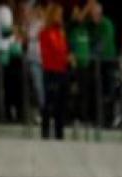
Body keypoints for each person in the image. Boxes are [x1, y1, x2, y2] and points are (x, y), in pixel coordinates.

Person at [39, 3, 70, 140]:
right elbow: (53, 51)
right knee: (50, 102)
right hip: (51, 70)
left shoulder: (61, 32)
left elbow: (64, 49)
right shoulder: (46, 33)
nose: (60, 17)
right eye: (58, 14)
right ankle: (45, 132)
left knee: (61, 103)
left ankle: (59, 132)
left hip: (62, 70)